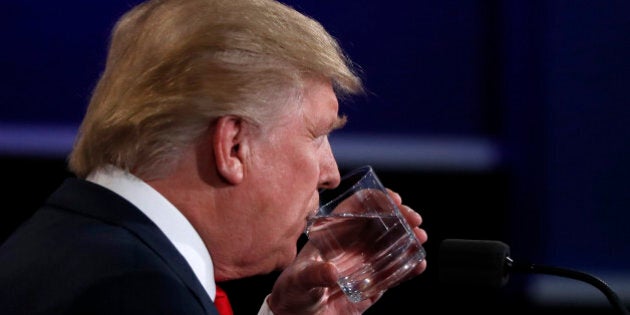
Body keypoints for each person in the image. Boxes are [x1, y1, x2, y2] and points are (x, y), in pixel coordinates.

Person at [0, 0, 428, 314]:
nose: (331, 174)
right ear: (233, 147)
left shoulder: (71, 243)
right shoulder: (137, 293)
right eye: (316, 135)